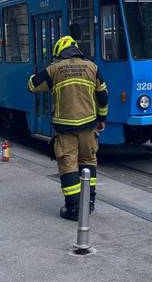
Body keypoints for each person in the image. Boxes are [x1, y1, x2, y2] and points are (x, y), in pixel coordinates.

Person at [28, 36, 108, 221]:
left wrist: (42, 71)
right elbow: (103, 96)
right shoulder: (92, 67)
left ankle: (73, 210)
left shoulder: (54, 69)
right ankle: (89, 203)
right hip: (89, 125)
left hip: (65, 128)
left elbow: (32, 85)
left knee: (68, 164)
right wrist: (102, 118)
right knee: (88, 161)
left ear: (59, 53)